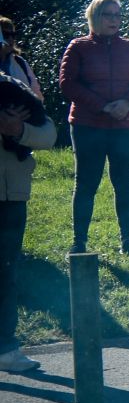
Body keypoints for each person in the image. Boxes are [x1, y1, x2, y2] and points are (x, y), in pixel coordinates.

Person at [60, 0, 129, 255]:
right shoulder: (78, 47)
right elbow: (67, 84)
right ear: (94, 17)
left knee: (124, 183)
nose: (114, 20)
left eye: (118, 15)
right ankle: (79, 242)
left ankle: (128, 241)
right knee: (86, 183)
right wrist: (101, 106)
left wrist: (127, 103)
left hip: (127, 125)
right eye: (108, 15)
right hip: (89, 125)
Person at [1, 73, 57, 373]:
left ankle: (6, 348)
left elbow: (48, 134)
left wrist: (19, 129)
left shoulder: (14, 85)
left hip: (12, 195)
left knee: (6, 275)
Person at [1, 17, 42, 98]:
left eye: (13, 35)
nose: (11, 39)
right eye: (6, 35)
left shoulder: (20, 62)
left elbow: (36, 92)